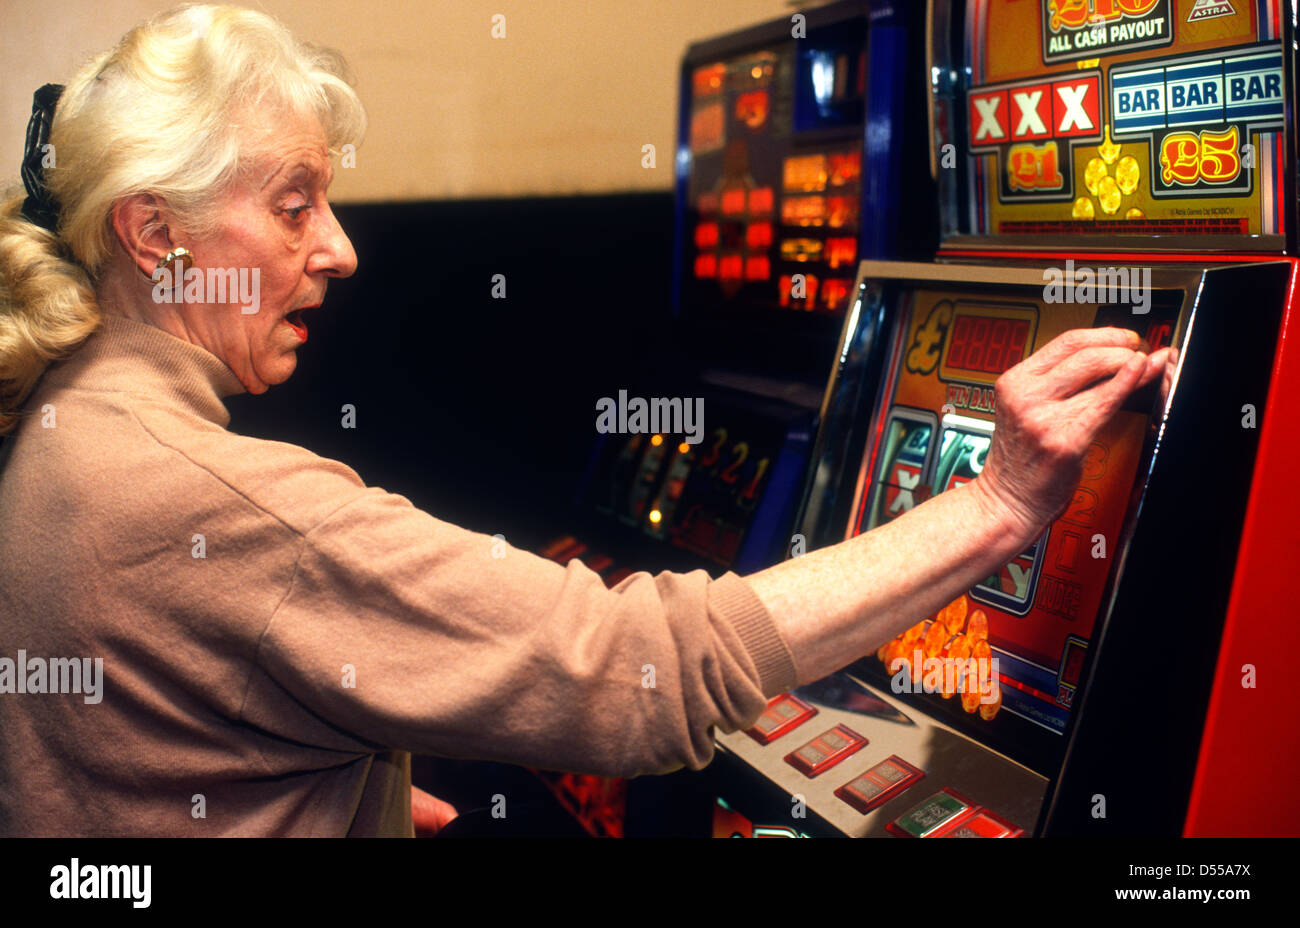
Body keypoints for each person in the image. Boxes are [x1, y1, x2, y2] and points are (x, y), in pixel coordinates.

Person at [0, 5, 1173, 837]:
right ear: (156, 235)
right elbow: (638, 667)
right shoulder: (218, 502)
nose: (341, 249)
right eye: (294, 203)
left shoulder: (60, 431)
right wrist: (1001, 501)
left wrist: (319, 789)